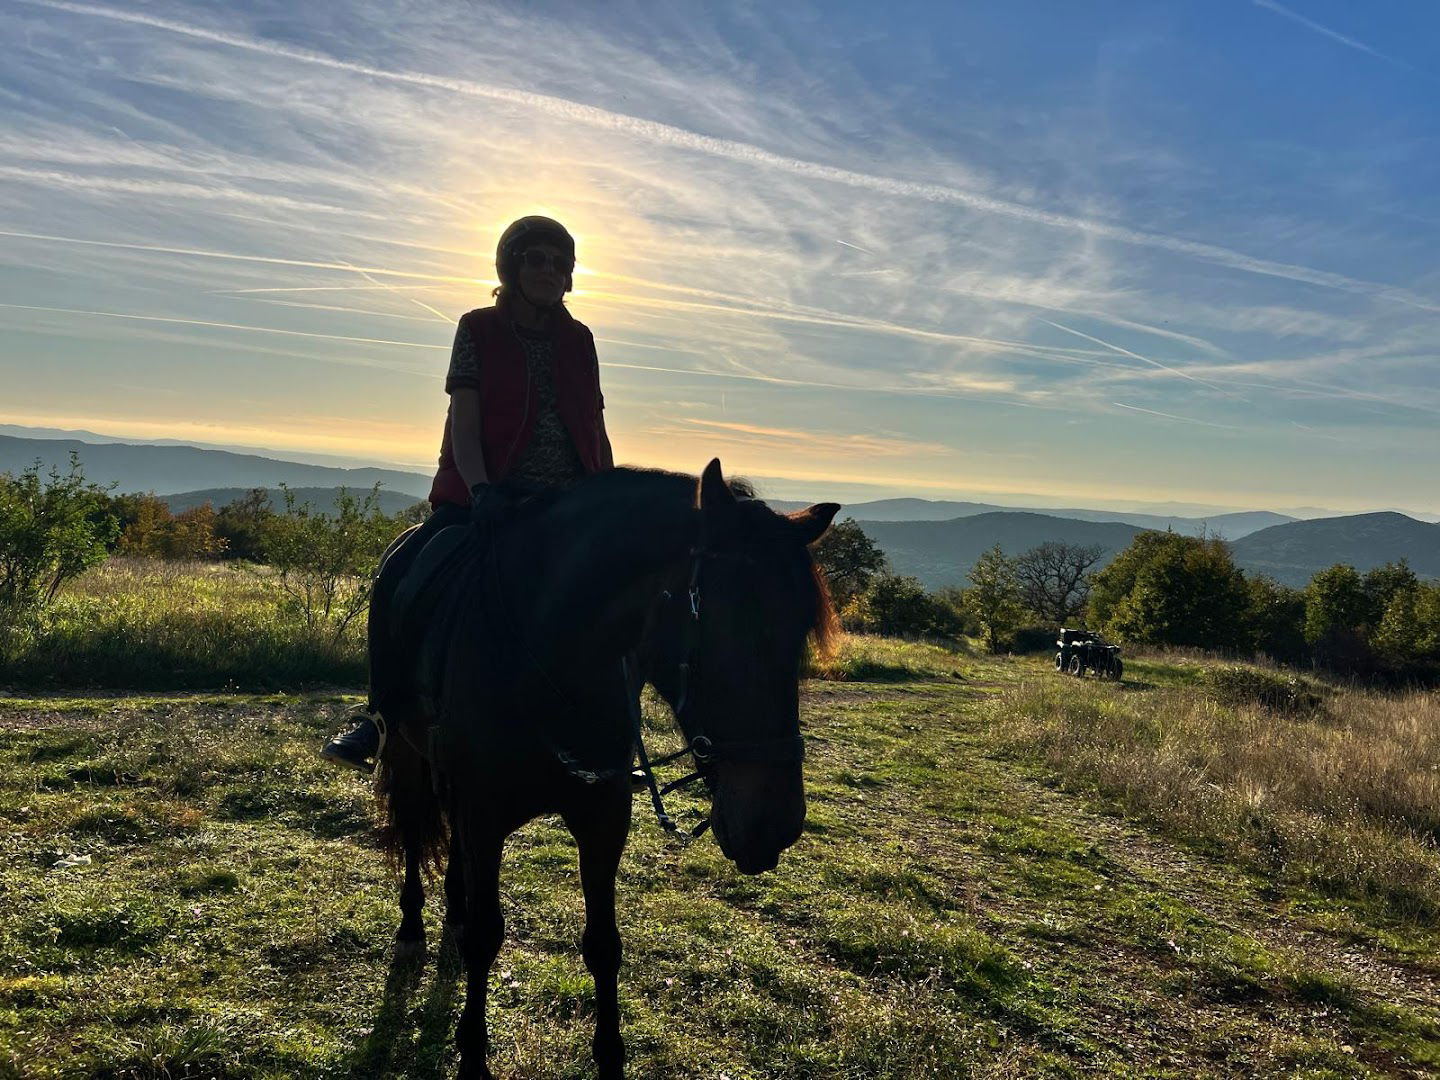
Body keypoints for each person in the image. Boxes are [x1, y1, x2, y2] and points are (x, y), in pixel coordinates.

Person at [322, 215, 615, 771]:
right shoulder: (478, 328)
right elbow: (465, 418)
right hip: (488, 499)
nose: (549, 270)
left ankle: (613, 730)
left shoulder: (580, 341)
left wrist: (606, 494)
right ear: (512, 265)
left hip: (567, 507)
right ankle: (382, 716)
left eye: (560, 262)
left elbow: (594, 423)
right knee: (401, 575)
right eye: (537, 258)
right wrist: (481, 491)